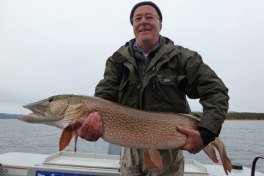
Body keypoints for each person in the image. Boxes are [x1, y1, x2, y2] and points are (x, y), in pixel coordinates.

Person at [71, 1, 229, 176]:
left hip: (169, 149)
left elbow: (216, 91)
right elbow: (103, 99)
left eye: (149, 17)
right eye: (138, 18)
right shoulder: (117, 61)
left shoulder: (183, 58)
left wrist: (207, 133)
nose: (143, 21)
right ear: (133, 25)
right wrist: (92, 122)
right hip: (129, 149)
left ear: (160, 24)